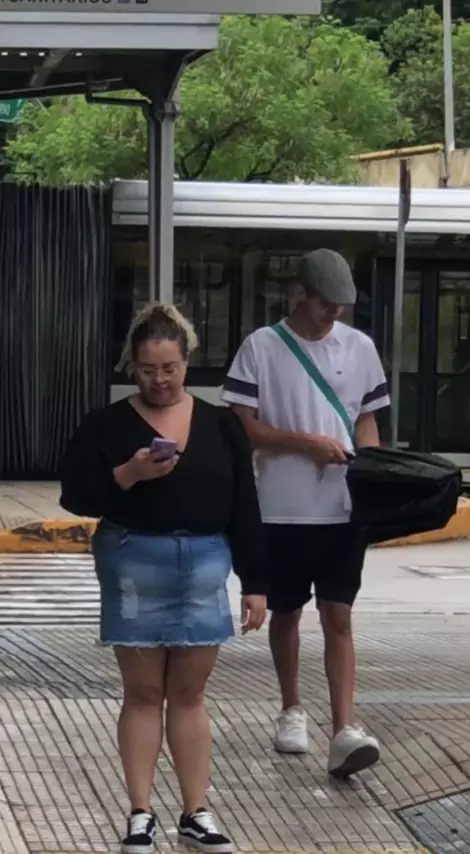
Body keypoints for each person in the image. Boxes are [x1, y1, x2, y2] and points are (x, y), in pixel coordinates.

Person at [60, 303, 267, 854]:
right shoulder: (105, 425)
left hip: (204, 562)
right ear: (132, 365)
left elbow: (244, 504)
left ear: (187, 362)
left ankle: (196, 810)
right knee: (144, 692)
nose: (159, 380)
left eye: (170, 369)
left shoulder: (221, 425)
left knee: (190, 693)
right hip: (134, 561)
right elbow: (75, 495)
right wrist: (128, 474)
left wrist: (255, 580)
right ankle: (140, 811)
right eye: (148, 370)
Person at [222, 248, 390, 779]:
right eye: (324, 304)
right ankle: (291, 708)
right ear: (299, 294)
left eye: (340, 306)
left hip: (344, 507)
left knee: (339, 614)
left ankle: (344, 728)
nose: (332, 314)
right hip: (281, 507)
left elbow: (367, 421)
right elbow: (244, 427)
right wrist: (305, 443)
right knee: (287, 611)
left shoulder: (360, 348)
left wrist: (370, 473)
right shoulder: (262, 347)